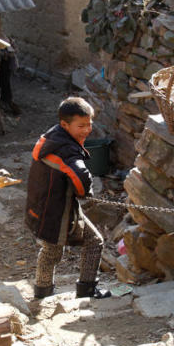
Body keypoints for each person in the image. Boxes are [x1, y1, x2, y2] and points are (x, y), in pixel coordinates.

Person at [25, 96, 111, 300]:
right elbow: (80, 177)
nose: (87, 130)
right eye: (81, 125)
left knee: (56, 249)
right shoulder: (66, 150)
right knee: (80, 245)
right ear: (65, 124)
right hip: (56, 211)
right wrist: (85, 194)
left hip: (43, 204)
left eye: (89, 124)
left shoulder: (53, 137)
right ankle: (78, 291)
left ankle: (45, 291)